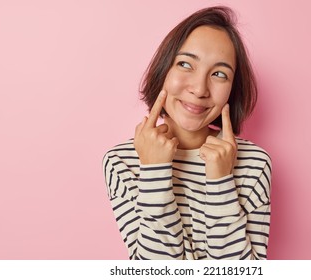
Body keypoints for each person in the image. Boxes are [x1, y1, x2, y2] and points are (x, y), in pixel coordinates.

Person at [103, 6, 272, 260]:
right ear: (164, 70)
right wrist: (154, 171)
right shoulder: (122, 162)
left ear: (232, 90)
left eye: (219, 74)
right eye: (185, 64)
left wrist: (220, 182)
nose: (199, 88)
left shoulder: (254, 164)